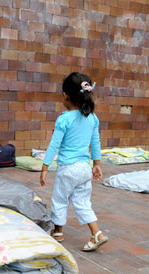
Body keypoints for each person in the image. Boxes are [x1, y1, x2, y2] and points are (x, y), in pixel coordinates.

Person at [40, 72, 108, 251]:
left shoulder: (64, 119)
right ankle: (97, 234)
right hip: (85, 169)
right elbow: (95, 142)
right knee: (83, 202)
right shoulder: (92, 118)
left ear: (66, 96)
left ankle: (59, 232)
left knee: (60, 199)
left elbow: (54, 145)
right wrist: (97, 164)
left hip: (68, 169)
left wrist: (45, 167)